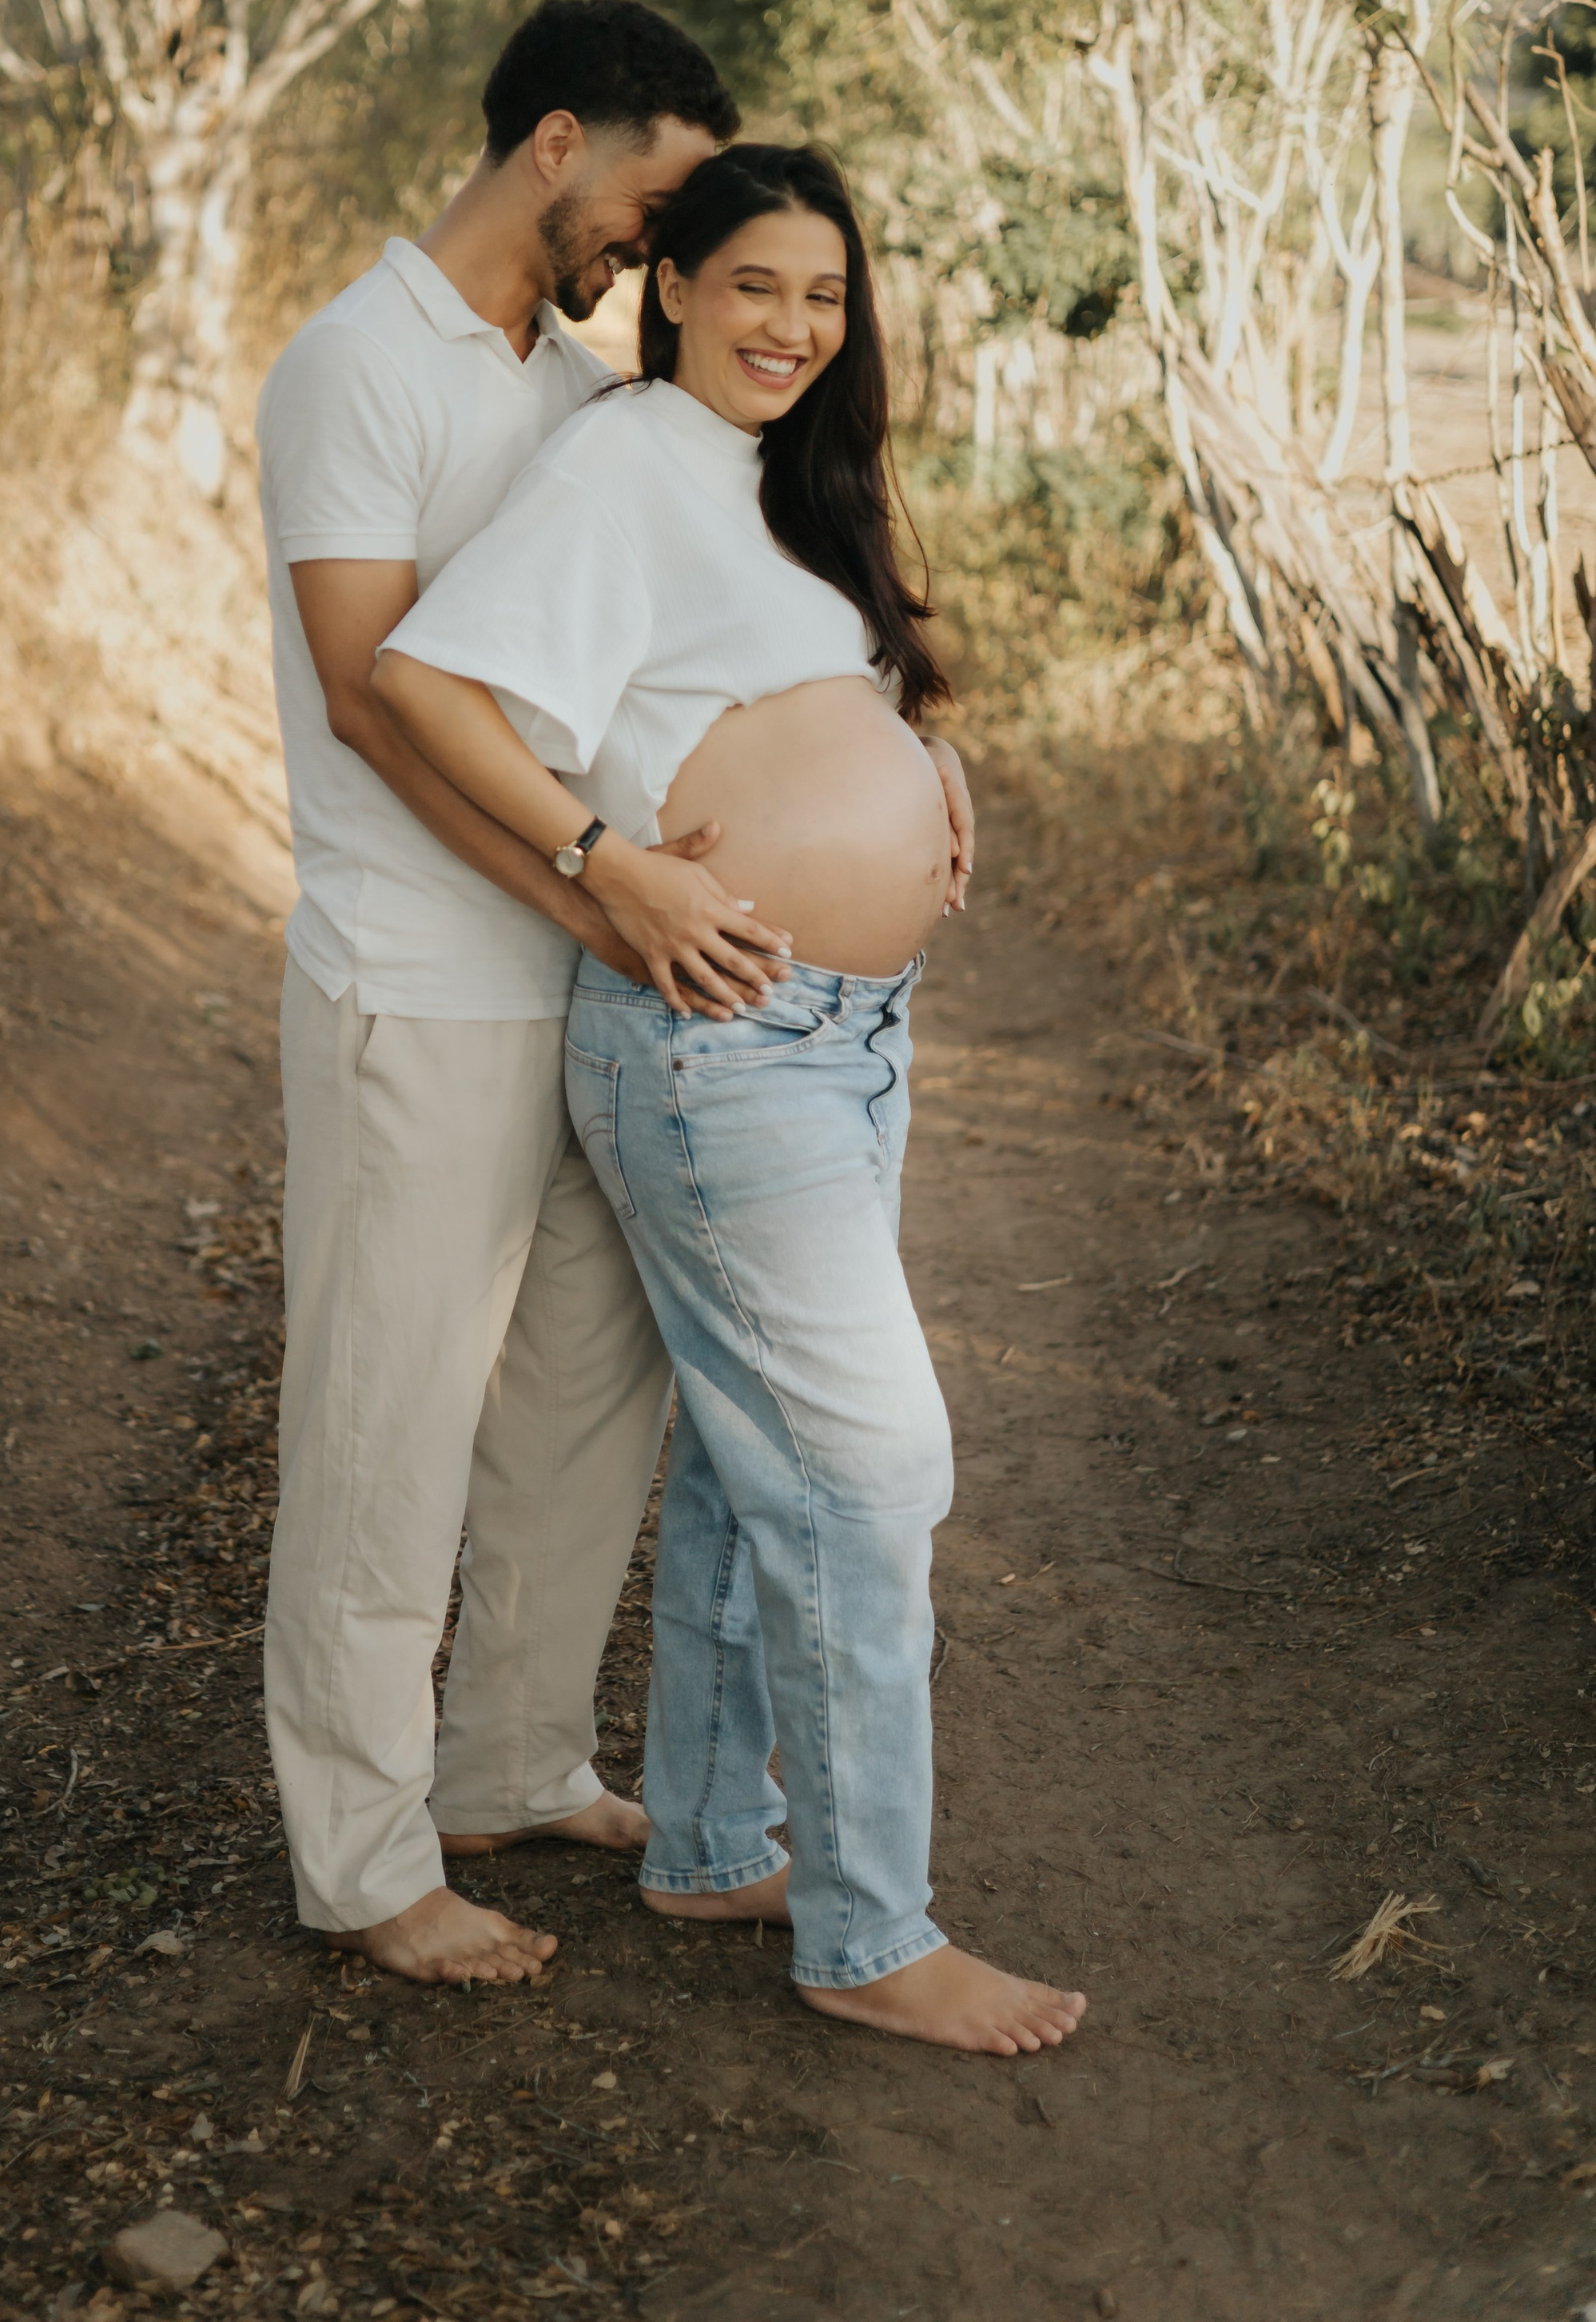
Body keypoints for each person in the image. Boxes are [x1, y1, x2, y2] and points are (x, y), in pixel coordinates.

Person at [375, 141, 1085, 2054]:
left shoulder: (777, 486)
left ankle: (707, 1834)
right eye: (754, 283)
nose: (790, 325)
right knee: (871, 1467)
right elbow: (426, 683)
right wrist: (613, 859)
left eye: (825, 297)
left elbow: (798, 690)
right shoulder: (619, 466)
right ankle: (869, 1934)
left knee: (751, 1457)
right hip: (721, 1045)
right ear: (674, 282)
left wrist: (923, 769)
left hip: (847, 1040)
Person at [256, 0, 794, 1992]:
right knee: (385, 1419)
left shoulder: (572, 398)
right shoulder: (354, 365)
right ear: (555, 141)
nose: (653, 254)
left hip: (592, 984)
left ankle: (506, 1758)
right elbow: (370, 701)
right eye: (653, 203)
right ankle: (366, 1852)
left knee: (583, 1394)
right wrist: (596, 880)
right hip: (422, 978)